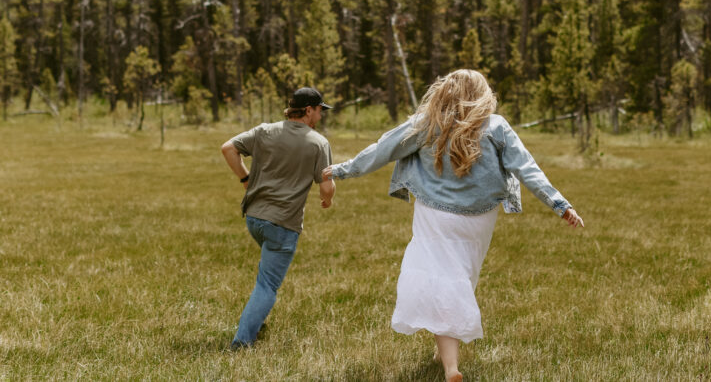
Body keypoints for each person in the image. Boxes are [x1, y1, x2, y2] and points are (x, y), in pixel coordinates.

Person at [322, 69, 583, 382]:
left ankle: (451, 367)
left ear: (444, 90)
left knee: (443, 279)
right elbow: (528, 169)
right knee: (460, 277)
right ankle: (447, 357)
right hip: (480, 218)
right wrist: (560, 205)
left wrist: (342, 170)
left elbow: (383, 149)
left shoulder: (426, 123)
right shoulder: (497, 126)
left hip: (435, 214)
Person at [222, 86, 336, 350]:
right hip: (283, 224)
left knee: (266, 273)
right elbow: (326, 186)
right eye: (319, 110)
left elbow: (228, 148)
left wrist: (245, 178)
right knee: (267, 285)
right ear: (308, 110)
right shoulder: (318, 143)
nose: (320, 116)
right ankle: (242, 342)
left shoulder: (264, 131)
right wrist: (327, 199)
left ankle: (256, 319)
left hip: (254, 218)